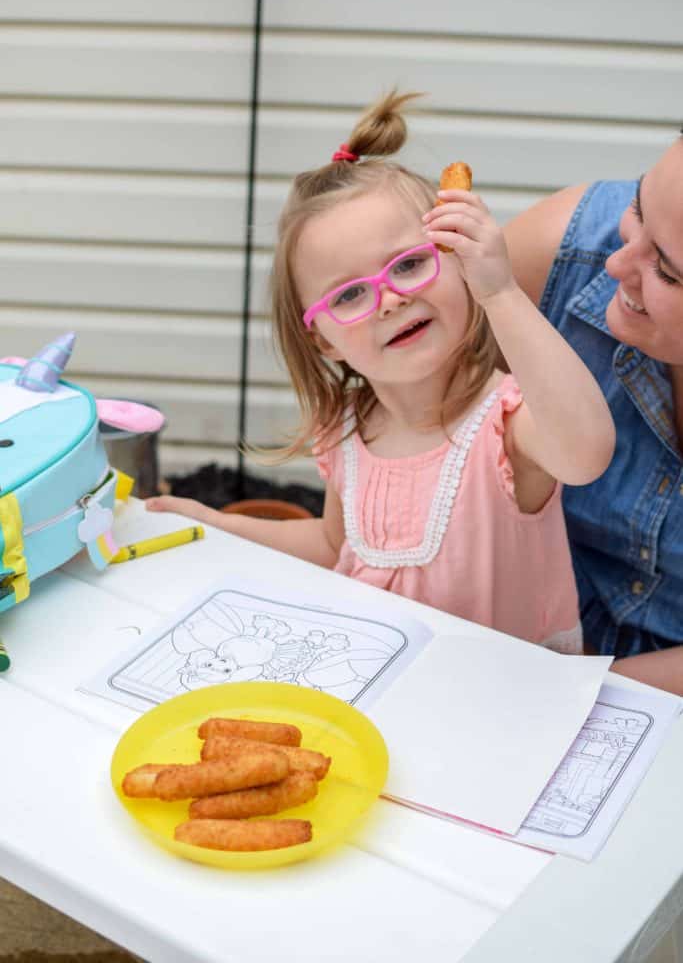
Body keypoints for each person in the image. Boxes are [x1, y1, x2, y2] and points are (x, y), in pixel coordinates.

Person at [147, 91, 615, 653]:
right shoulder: (346, 430)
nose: (390, 299)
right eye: (349, 295)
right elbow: (333, 547)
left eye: (412, 264)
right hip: (383, 687)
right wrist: (214, 523)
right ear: (322, 339)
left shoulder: (506, 427)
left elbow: (586, 452)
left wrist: (501, 292)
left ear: (458, 260)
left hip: (504, 713)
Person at [473, 129, 682, 694]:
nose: (615, 264)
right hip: (508, 657)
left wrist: (560, 691)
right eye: (637, 208)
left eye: (667, 270)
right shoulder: (559, 252)